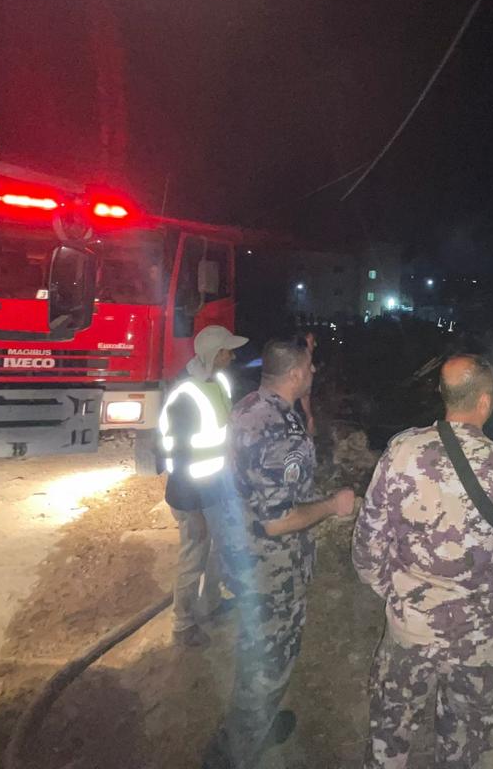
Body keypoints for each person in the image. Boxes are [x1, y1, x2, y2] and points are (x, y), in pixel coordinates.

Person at [352, 354, 493, 769]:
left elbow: (367, 544)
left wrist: (397, 596)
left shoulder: (401, 451)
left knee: (389, 734)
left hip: (411, 628)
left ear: (443, 394)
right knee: (462, 740)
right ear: (485, 402)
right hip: (478, 639)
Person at [204, 337, 356, 769]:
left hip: (247, 552)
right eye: (309, 366)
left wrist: (304, 411)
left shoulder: (252, 407)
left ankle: (256, 726)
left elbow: (282, 464)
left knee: (258, 651)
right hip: (270, 566)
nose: (314, 371)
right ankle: (232, 754)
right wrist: (333, 505)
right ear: (294, 374)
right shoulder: (276, 431)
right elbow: (278, 520)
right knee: (268, 662)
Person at [162, 324, 249, 647]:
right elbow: (179, 457)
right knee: (193, 559)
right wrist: (194, 511)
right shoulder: (186, 396)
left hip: (215, 489)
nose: (233, 356)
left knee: (215, 551)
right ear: (214, 354)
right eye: (228, 351)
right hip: (191, 495)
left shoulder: (219, 383)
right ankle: (183, 624)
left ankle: (211, 604)